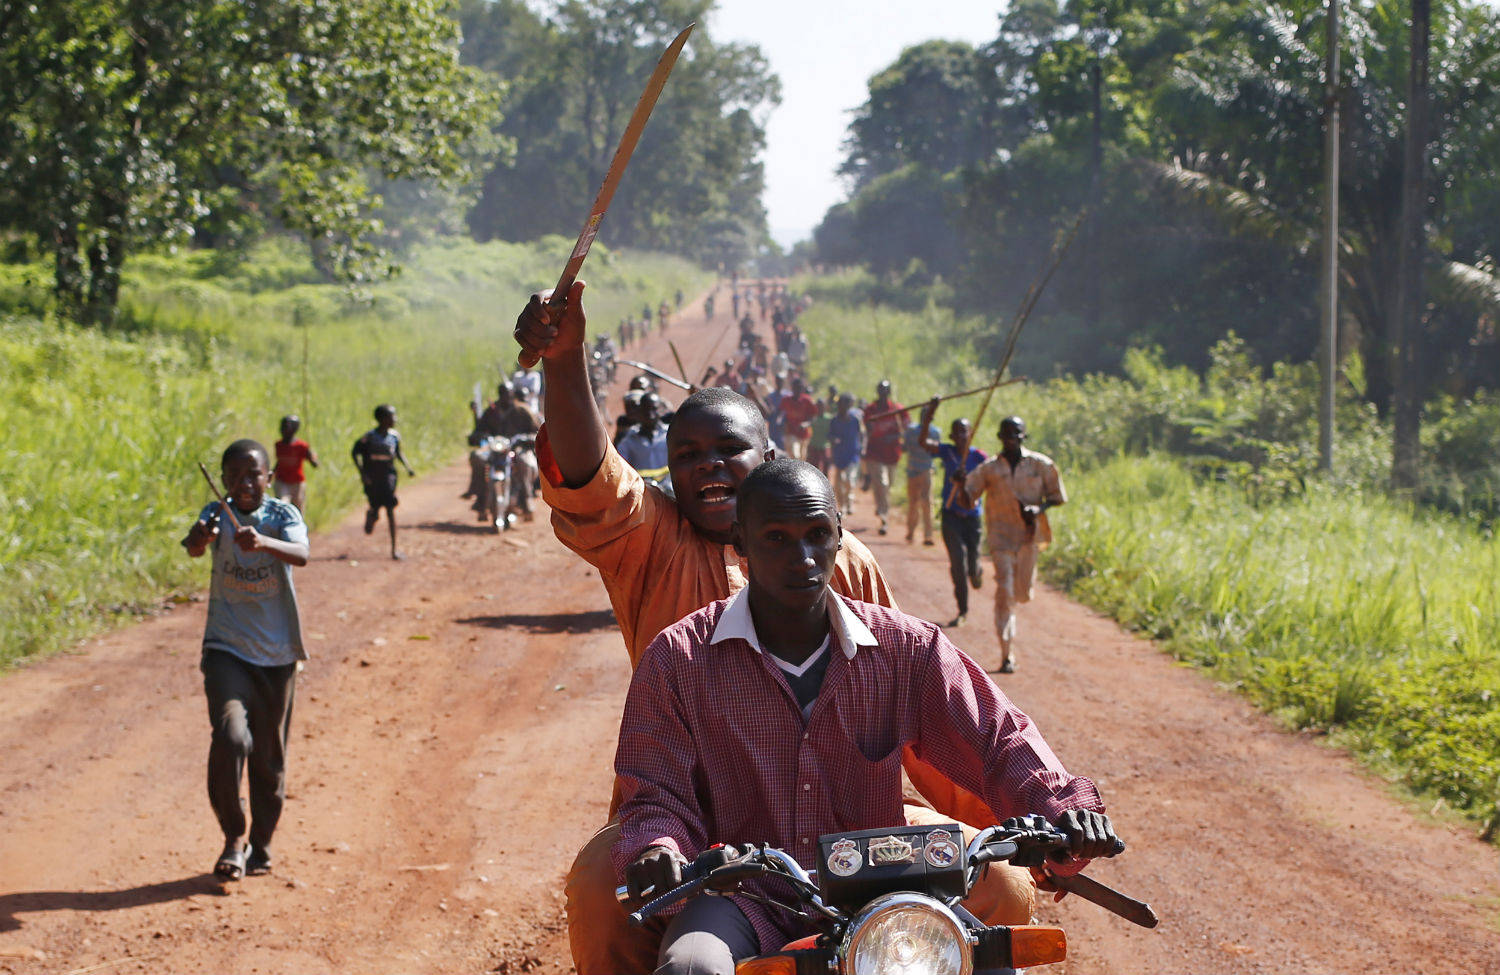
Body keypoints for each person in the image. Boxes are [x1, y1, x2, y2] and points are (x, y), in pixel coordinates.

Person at [512, 282, 1035, 975]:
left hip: (857, 828)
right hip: (701, 840)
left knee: (1005, 885)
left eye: (729, 449)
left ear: (772, 459)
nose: (708, 467)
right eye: (688, 455)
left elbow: (928, 712)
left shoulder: (847, 561)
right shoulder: (654, 543)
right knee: (599, 892)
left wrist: (1021, 820)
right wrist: (565, 357)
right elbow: (588, 475)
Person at [615, 460, 1114, 974]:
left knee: (986, 962)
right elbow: (656, 792)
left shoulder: (908, 649)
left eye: (817, 535)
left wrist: (1064, 811)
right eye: (776, 538)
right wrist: (660, 849)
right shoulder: (679, 658)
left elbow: (997, 739)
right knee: (690, 967)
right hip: (743, 896)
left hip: (889, 892)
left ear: (839, 536)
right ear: (740, 543)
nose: (803, 558)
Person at [180, 439, 310, 881]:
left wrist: (264, 543)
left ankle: (262, 843)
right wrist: (199, 539)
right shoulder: (215, 514)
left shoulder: (282, 515)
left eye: (253, 474)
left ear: (268, 478)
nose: (244, 483)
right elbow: (195, 546)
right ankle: (233, 837)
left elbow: (302, 555)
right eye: (234, 476)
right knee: (232, 736)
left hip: (276, 657)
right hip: (226, 649)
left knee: (268, 760)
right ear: (224, 480)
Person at [959, 416, 1066, 674]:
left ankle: (1013, 616)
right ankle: (1007, 653)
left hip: (1030, 537)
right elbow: (966, 500)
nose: (1010, 438)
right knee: (1005, 592)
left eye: (1015, 433)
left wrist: (1038, 508)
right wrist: (959, 483)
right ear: (999, 437)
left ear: (1023, 436)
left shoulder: (1041, 465)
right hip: (1001, 537)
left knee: (1022, 593)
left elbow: (1058, 496)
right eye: (1006, 433)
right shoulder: (989, 469)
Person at [923, 409, 986, 628]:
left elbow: (988, 482)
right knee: (957, 564)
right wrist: (927, 417)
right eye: (956, 433)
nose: (960, 437)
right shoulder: (947, 452)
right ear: (951, 436)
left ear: (971, 434)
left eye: (964, 432)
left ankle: (976, 571)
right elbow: (923, 443)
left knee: (972, 565)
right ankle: (963, 610)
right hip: (951, 517)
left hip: (973, 518)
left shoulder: (980, 457)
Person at [351, 404, 414, 560]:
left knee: (391, 510)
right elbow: (354, 452)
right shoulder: (370, 437)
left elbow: (399, 453)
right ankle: (372, 514)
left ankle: (394, 549)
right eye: (391, 416)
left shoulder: (394, 436)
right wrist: (362, 473)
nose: (394, 419)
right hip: (373, 479)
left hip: (388, 478)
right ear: (382, 419)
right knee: (375, 505)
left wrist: (408, 468)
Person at [863, 380, 906, 535]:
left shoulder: (897, 409)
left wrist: (894, 436)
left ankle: (881, 507)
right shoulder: (871, 410)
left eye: (885, 391)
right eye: (880, 391)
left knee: (886, 486)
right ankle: (884, 517)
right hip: (875, 454)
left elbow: (904, 429)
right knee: (882, 483)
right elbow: (868, 429)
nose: (883, 394)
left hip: (892, 455)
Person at [904, 406, 941, 546]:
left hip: (926, 470)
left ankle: (928, 535)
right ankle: (911, 531)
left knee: (926, 502)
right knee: (913, 502)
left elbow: (935, 450)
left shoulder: (935, 432)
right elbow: (906, 447)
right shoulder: (912, 430)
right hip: (913, 469)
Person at [271, 414, 318, 512]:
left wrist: (313, 459)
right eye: (282, 427)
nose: (282, 430)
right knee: (282, 505)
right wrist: (272, 473)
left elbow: (313, 462)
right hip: (282, 481)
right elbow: (280, 462)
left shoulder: (302, 446)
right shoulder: (278, 445)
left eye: (286, 427)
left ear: (294, 429)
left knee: (298, 508)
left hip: (297, 482)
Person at [827, 393, 863, 517]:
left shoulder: (855, 420)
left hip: (852, 455)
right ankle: (842, 506)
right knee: (838, 483)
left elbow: (861, 434)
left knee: (849, 481)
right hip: (839, 456)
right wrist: (834, 441)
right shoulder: (834, 420)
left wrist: (862, 447)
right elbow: (830, 436)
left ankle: (849, 504)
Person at [616, 391, 669, 474]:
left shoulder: (670, 435)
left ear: (661, 410)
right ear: (640, 412)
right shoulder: (629, 440)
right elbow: (620, 466)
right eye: (646, 410)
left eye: (654, 409)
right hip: (641, 485)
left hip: (668, 485)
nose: (651, 415)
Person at [776, 376, 817, 462]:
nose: (797, 390)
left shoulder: (807, 400)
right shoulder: (786, 399)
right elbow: (781, 412)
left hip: (803, 434)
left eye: (799, 387)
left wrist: (805, 424)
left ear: (802, 389)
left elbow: (813, 416)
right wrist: (779, 420)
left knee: (802, 457)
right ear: (792, 388)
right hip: (790, 431)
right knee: (795, 454)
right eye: (795, 387)